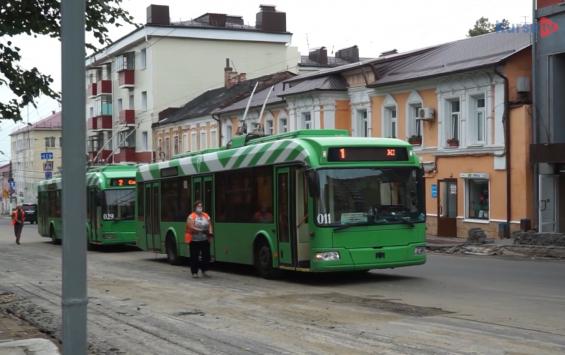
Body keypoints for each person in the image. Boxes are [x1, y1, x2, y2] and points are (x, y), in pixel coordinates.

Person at [185, 200, 213, 278]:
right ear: (195, 207)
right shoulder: (191, 216)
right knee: (194, 256)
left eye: (201, 206)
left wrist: (210, 234)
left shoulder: (206, 215)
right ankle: (194, 272)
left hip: (204, 239)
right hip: (194, 240)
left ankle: (204, 271)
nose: (200, 208)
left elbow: (210, 225)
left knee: (206, 256)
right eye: (198, 206)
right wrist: (200, 230)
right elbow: (190, 226)